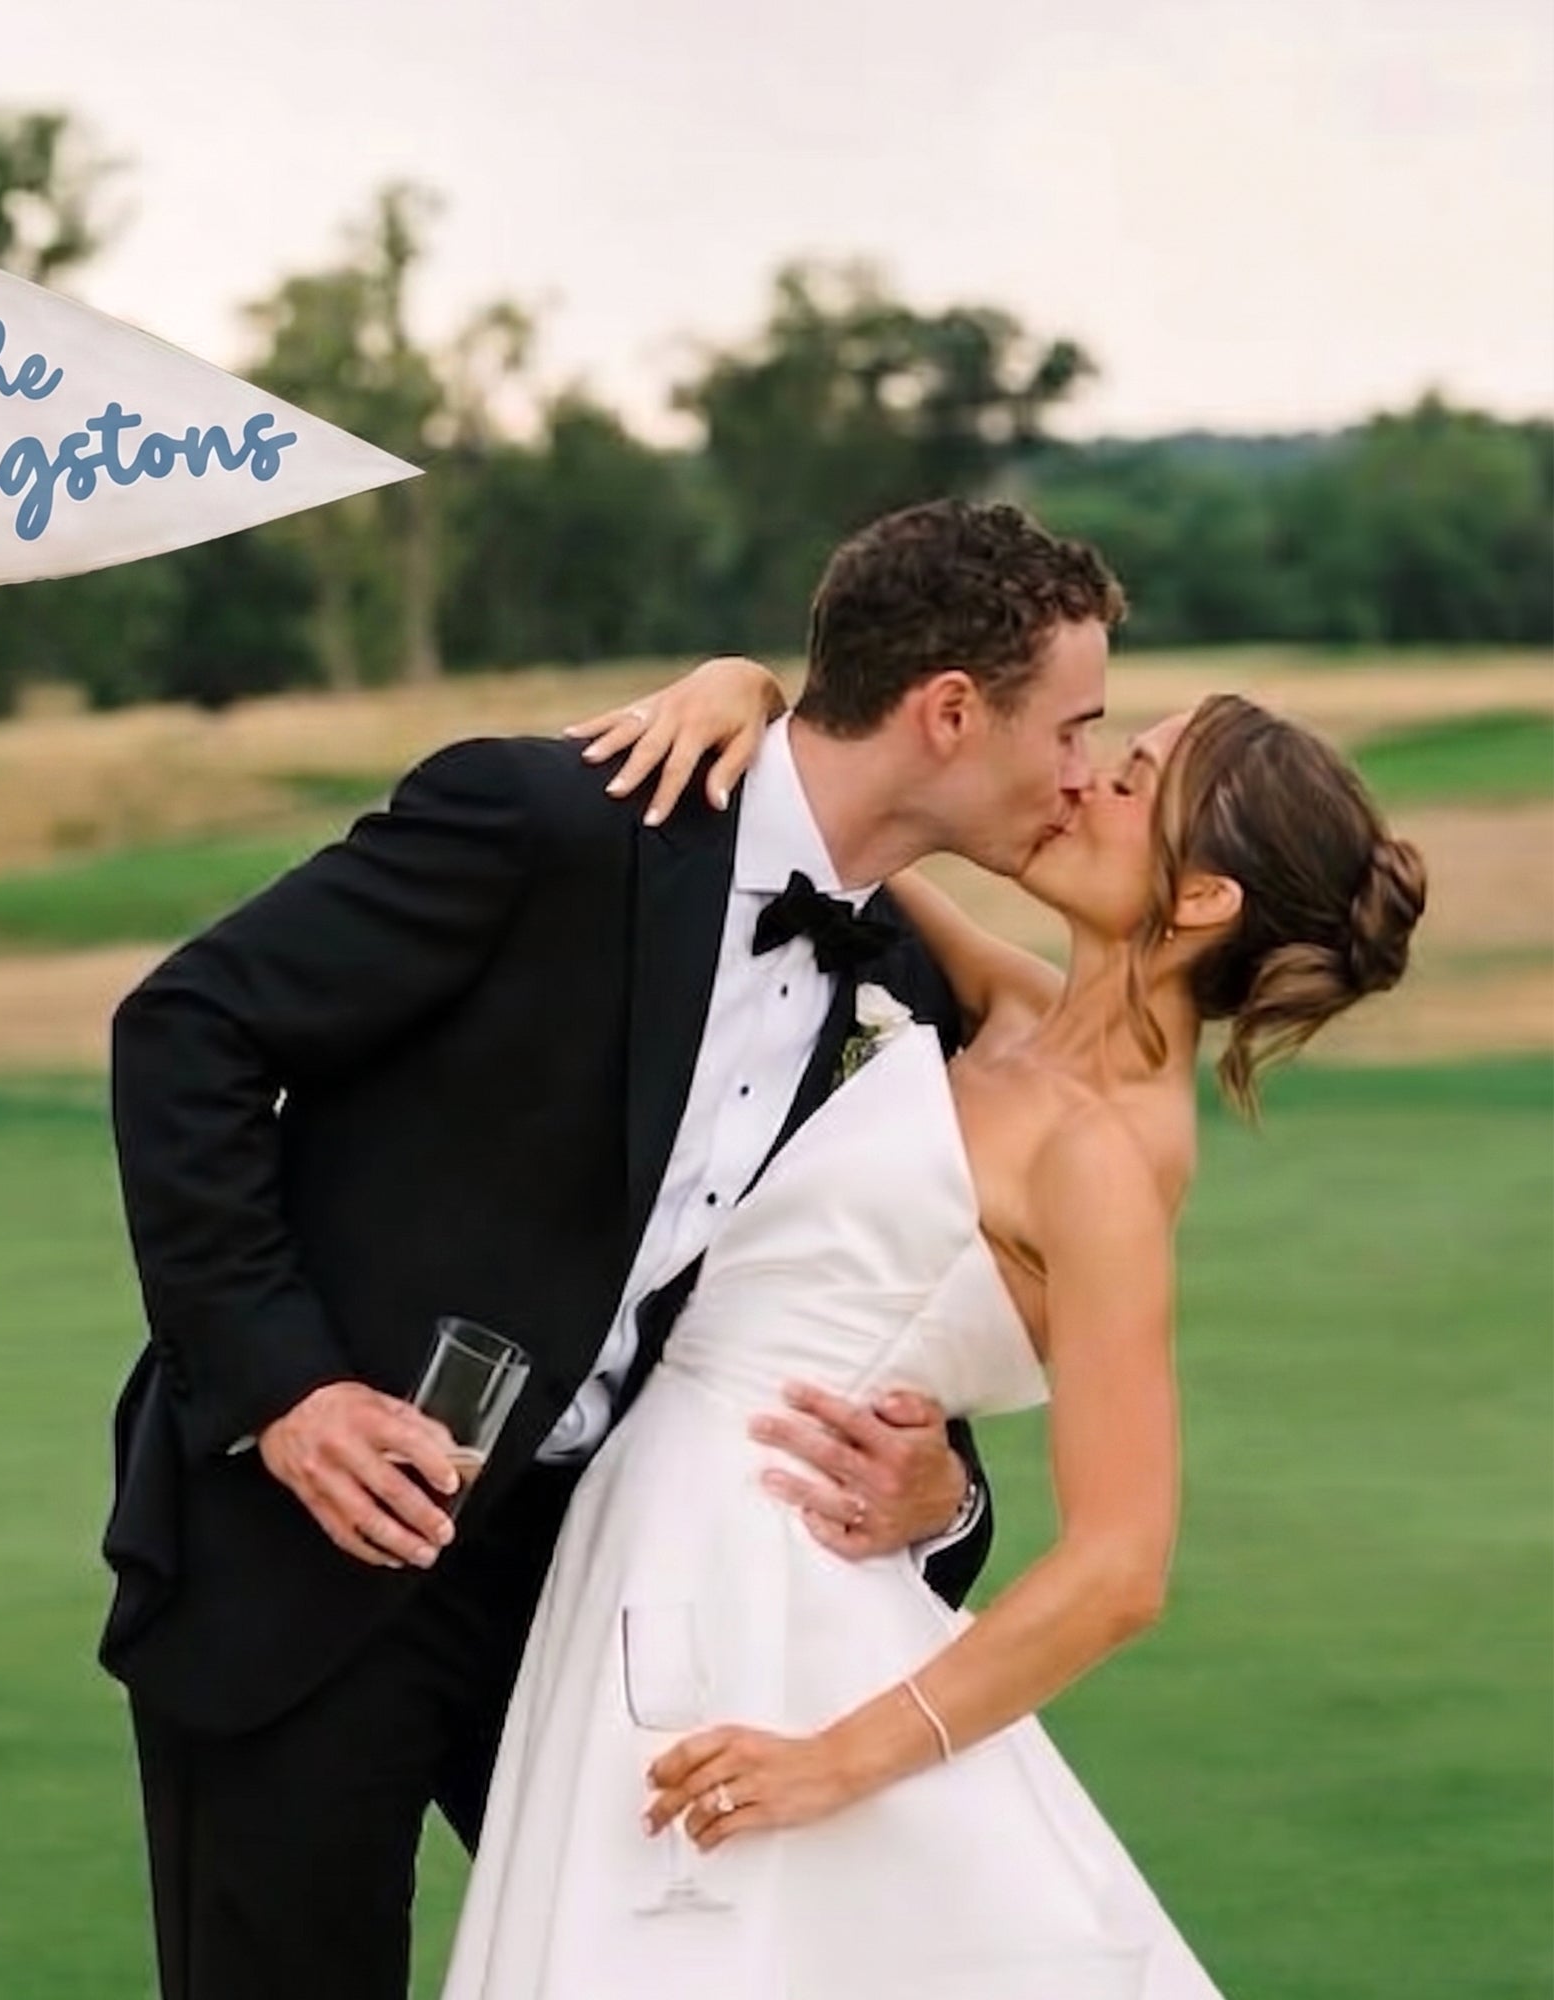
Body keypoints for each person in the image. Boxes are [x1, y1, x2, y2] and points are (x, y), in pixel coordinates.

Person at [100, 498, 1123, 2000]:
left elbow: (856, 1301)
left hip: (610, 1584)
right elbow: (187, 1031)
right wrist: (287, 1391)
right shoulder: (548, 824)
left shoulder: (907, 978)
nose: (1087, 773)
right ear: (953, 712)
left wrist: (943, 1494)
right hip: (313, 1554)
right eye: (1078, 727)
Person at [440, 680, 1426, 1998]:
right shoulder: (1018, 1012)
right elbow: (840, 818)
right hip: (659, 1542)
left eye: (1131, 784)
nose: (1082, 784)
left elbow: (1123, 1565)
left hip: (768, 1608)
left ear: (1201, 905)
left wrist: (833, 1760)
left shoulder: (1107, 1162)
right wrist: (752, 692)